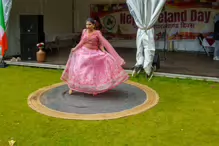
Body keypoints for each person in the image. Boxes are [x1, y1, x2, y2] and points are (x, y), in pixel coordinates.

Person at [61, 18, 129, 95]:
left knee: (94, 71)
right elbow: (82, 42)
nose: (87, 26)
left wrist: (103, 51)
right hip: (83, 52)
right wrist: (75, 48)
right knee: (78, 69)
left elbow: (101, 43)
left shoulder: (97, 33)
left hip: (94, 52)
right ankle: (72, 87)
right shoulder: (84, 31)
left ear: (93, 25)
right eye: (86, 24)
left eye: (89, 24)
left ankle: (94, 89)